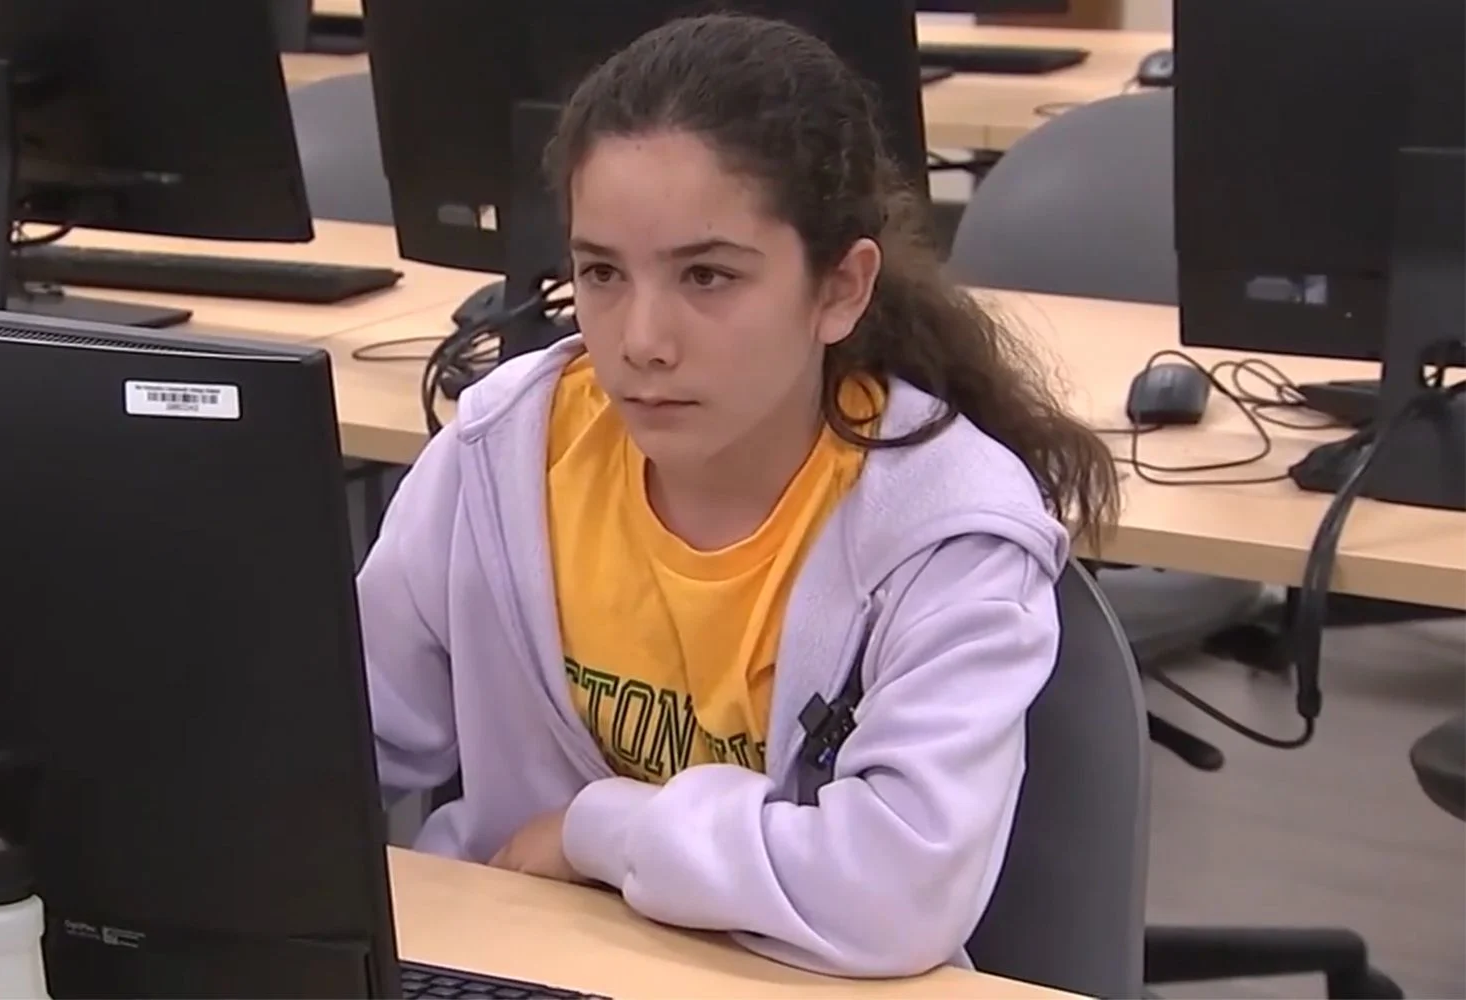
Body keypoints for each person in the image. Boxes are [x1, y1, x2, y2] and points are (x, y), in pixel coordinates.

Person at [358, 12, 1119, 980]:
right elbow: (334, 747)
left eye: (707, 276)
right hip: (515, 963)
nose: (641, 340)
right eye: (601, 273)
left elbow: (894, 891)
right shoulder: (503, 449)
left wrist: (599, 831)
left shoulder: (944, 529)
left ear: (840, 289)